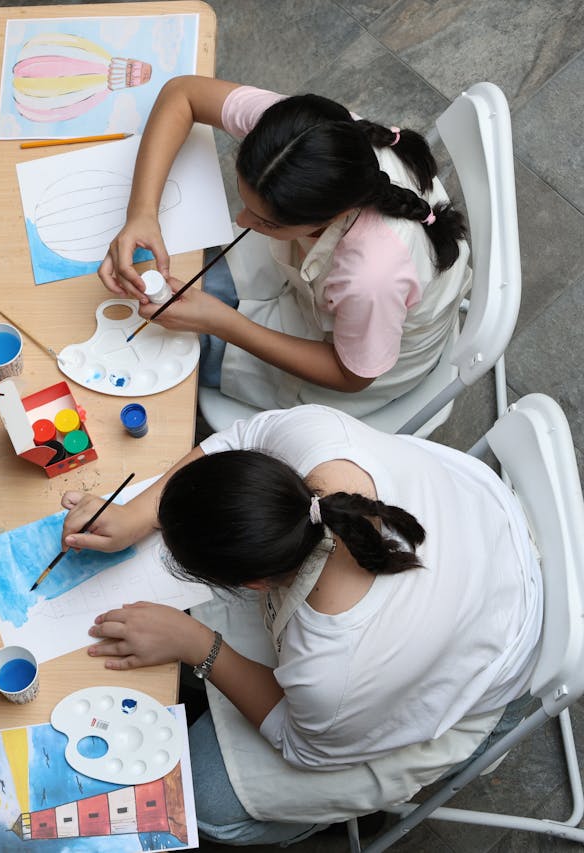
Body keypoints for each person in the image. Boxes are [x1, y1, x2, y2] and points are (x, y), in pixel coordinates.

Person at [59, 405, 541, 844]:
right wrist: (140, 512)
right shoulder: (317, 442)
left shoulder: (333, 666)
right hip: (478, 526)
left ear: (255, 585)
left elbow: (303, 745)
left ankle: (319, 823)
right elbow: (242, 435)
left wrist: (198, 644)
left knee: (202, 800)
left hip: (494, 660)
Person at [99, 76, 471, 416]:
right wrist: (142, 213)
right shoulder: (299, 138)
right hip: (336, 286)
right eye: (245, 202)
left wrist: (224, 323)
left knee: (185, 347)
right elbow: (182, 94)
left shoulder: (371, 276)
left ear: (329, 218)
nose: (242, 222)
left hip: (362, 357)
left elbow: (352, 375)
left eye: (266, 222)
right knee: (191, 283)